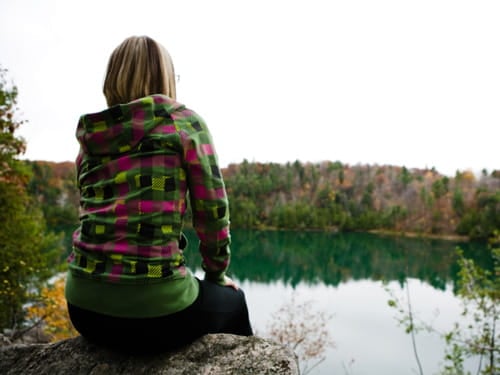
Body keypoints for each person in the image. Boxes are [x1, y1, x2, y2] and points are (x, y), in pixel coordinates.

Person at [64, 35, 253, 353]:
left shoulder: (91, 138)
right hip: (156, 313)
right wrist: (216, 273)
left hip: (82, 308)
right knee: (234, 302)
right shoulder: (182, 124)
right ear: (165, 77)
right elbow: (211, 210)